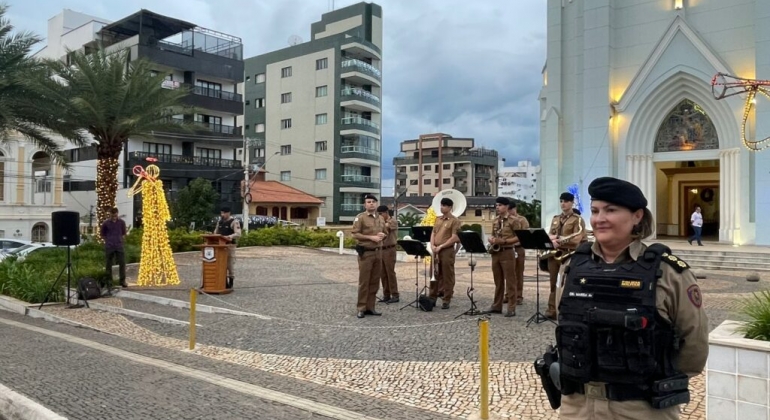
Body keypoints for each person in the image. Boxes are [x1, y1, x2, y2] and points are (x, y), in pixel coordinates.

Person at [540, 176, 708, 419]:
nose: (599, 219)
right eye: (595, 211)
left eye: (611, 210)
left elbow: (694, 347)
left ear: (637, 216)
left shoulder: (669, 273)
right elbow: (565, 321)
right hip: (576, 407)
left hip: (641, 408)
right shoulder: (571, 267)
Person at [544, 192, 583, 319]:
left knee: (566, 284)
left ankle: (565, 309)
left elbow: (577, 239)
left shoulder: (577, 219)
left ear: (572, 203)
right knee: (553, 282)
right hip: (555, 254)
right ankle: (552, 309)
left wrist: (559, 239)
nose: (563, 204)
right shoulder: (556, 218)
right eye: (561, 201)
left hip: (568, 254)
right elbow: (550, 234)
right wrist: (552, 239)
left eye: (566, 201)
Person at [351, 194, 386, 318]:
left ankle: (371, 307)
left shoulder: (381, 218)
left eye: (373, 202)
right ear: (364, 205)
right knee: (364, 282)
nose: (371, 203)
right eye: (368, 202)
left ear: (376, 204)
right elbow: (355, 234)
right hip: (366, 252)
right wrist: (371, 237)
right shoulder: (360, 218)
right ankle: (361, 307)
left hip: (378, 252)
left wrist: (382, 236)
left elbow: (385, 232)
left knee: (375, 281)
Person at [487, 197, 519, 317]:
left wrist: (504, 241)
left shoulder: (513, 221)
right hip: (496, 252)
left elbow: (519, 237)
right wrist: (491, 239)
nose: (497, 207)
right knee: (498, 281)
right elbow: (492, 234)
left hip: (507, 251)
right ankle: (497, 305)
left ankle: (511, 307)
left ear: (506, 207)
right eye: (496, 205)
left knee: (510, 281)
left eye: (500, 205)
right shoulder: (495, 220)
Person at [429, 198, 462, 309]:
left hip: (446, 250)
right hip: (436, 250)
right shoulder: (438, 219)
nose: (441, 207)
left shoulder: (455, 221)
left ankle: (446, 299)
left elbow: (454, 237)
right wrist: (432, 245)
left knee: (448, 275)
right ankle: (432, 297)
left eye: (444, 205)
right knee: (434, 274)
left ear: (449, 207)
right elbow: (433, 233)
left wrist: (441, 246)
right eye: (441, 205)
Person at [214, 206, 241, 289]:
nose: (222, 215)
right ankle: (223, 282)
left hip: (229, 246)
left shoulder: (234, 222)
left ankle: (231, 281)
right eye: (221, 213)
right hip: (220, 246)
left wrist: (229, 236)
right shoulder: (220, 222)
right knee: (220, 264)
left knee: (229, 265)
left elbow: (238, 234)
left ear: (228, 213)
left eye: (224, 213)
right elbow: (216, 232)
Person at [508, 200, 530, 305]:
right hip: (507, 248)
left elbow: (525, 235)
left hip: (518, 248)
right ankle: (508, 294)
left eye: (510, 210)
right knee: (508, 273)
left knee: (518, 273)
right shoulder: (505, 220)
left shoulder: (522, 220)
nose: (509, 212)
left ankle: (518, 295)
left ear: (514, 209)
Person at [377, 205, 399, 303]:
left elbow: (385, 227)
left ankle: (395, 294)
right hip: (381, 249)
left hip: (390, 249)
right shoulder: (380, 222)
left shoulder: (392, 221)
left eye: (381, 214)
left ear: (386, 213)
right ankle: (386, 294)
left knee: (390, 272)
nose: (379, 216)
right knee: (383, 273)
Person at [101, 207, 127, 288]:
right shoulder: (106, 223)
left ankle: (122, 281)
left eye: (115, 215)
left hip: (119, 245)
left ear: (117, 214)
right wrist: (108, 241)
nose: (114, 217)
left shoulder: (122, 222)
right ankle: (109, 281)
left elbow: (123, 233)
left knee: (122, 263)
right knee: (109, 264)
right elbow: (103, 234)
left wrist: (121, 240)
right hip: (110, 245)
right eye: (112, 215)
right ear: (110, 214)